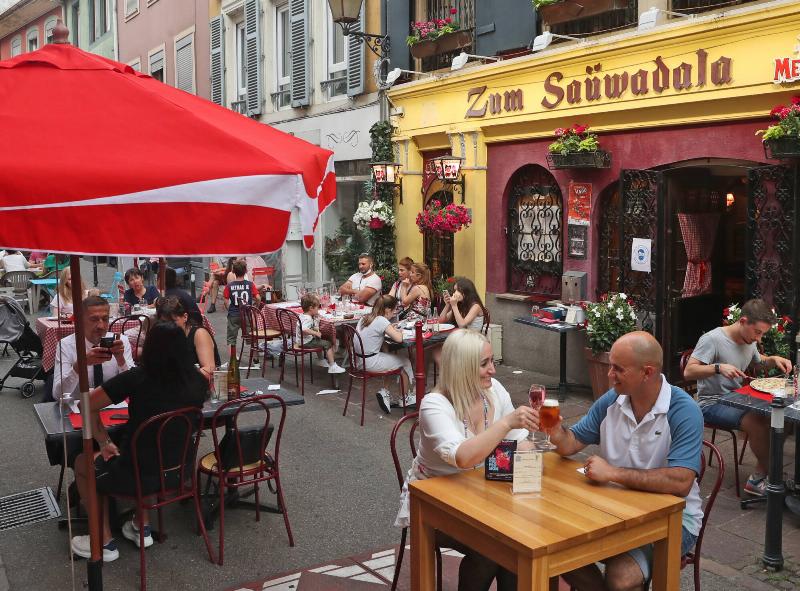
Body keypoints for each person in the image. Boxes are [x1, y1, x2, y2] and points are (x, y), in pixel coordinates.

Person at [537, 331, 704, 591]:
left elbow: (681, 482)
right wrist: (556, 432)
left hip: (675, 520)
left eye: (618, 369)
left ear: (647, 372)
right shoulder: (612, 400)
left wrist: (613, 473)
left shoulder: (683, 410)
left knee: (621, 578)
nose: (609, 374)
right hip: (615, 509)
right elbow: (571, 443)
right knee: (552, 546)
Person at [394, 329, 535, 591]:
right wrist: (505, 423)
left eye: (492, 361)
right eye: (484, 363)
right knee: (491, 550)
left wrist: (533, 456)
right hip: (434, 504)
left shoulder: (494, 390)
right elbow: (463, 457)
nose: (493, 370)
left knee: (521, 542)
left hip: (481, 496)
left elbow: (520, 442)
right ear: (462, 368)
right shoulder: (434, 404)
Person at [69, 322, 207, 562]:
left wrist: (104, 441)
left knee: (83, 462)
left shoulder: (137, 378)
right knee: (149, 451)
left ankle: (102, 541)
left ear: (149, 348)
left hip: (137, 474)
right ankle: (141, 526)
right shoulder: (199, 380)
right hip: (178, 471)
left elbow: (86, 404)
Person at [684, 298, 793, 496]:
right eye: (757, 332)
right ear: (743, 321)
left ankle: (761, 475)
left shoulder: (748, 339)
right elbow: (688, 372)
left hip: (738, 399)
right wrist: (718, 368)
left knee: (783, 417)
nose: (759, 339)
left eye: (762, 334)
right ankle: (772, 477)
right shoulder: (712, 339)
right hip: (712, 403)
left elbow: (758, 362)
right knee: (756, 421)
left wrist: (773, 359)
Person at [52, 296, 135, 401]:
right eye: (94, 319)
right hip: (79, 405)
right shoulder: (66, 345)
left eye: (105, 319)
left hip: (113, 405)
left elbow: (133, 386)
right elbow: (57, 394)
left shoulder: (120, 342)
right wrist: (80, 365)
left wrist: (121, 360)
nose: (101, 326)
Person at [355, 294, 415, 413]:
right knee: (405, 362)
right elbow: (399, 339)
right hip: (370, 362)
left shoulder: (365, 318)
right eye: (394, 309)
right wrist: (398, 331)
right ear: (387, 309)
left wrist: (389, 328)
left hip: (359, 360)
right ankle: (404, 399)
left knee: (389, 355)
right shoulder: (381, 320)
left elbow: (374, 331)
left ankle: (386, 392)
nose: (394, 312)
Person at [156, 296, 220, 378]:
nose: (168, 325)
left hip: (198, 382)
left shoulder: (199, 334)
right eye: (164, 322)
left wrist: (180, 379)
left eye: (173, 321)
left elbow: (208, 369)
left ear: (185, 317)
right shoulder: (165, 334)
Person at [296, 293, 345, 374]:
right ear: (311, 308)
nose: (318, 309)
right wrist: (315, 333)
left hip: (302, 341)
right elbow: (304, 329)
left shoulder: (303, 316)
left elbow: (310, 326)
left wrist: (316, 321)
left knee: (319, 341)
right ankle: (332, 366)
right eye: (317, 307)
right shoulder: (307, 319)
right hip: (306, 342)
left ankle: (321, 360)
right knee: (328, 344)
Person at [223, 259, 260, 346]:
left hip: (233, 314)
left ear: (233, 271)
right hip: (247, 314)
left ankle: (233, 353)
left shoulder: (229, 286)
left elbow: (225, 302)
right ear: (246, 271)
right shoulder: (250, 284)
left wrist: (230, 310)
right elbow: (258, 298)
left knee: (232, 338)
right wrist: (255, 307)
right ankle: (254, 353)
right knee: (252, 336)